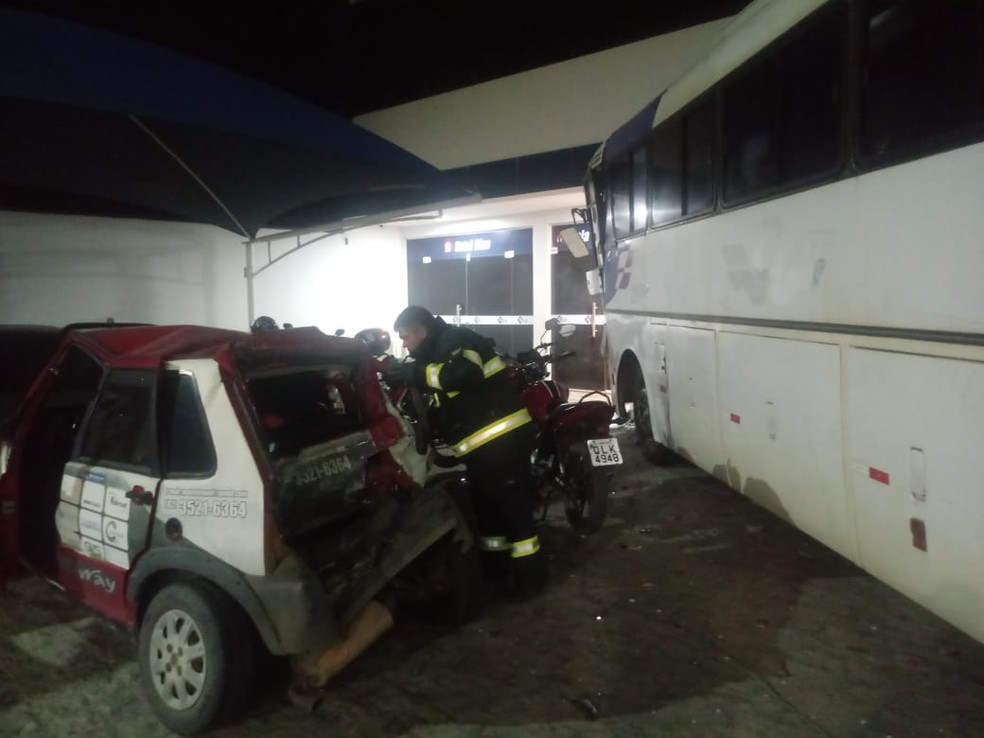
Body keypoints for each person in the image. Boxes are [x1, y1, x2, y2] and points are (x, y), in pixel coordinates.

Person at [386, 305, 548, 597]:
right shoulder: (436, 351)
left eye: (406, 337)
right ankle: (496, 575)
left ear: (422, 330)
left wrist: (416, 372)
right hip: (482, 450)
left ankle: (531, 581)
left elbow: (465, 374)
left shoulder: (454, 339)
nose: (406, 345)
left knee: (515, 512)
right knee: (488, 514)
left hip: (503, 442)